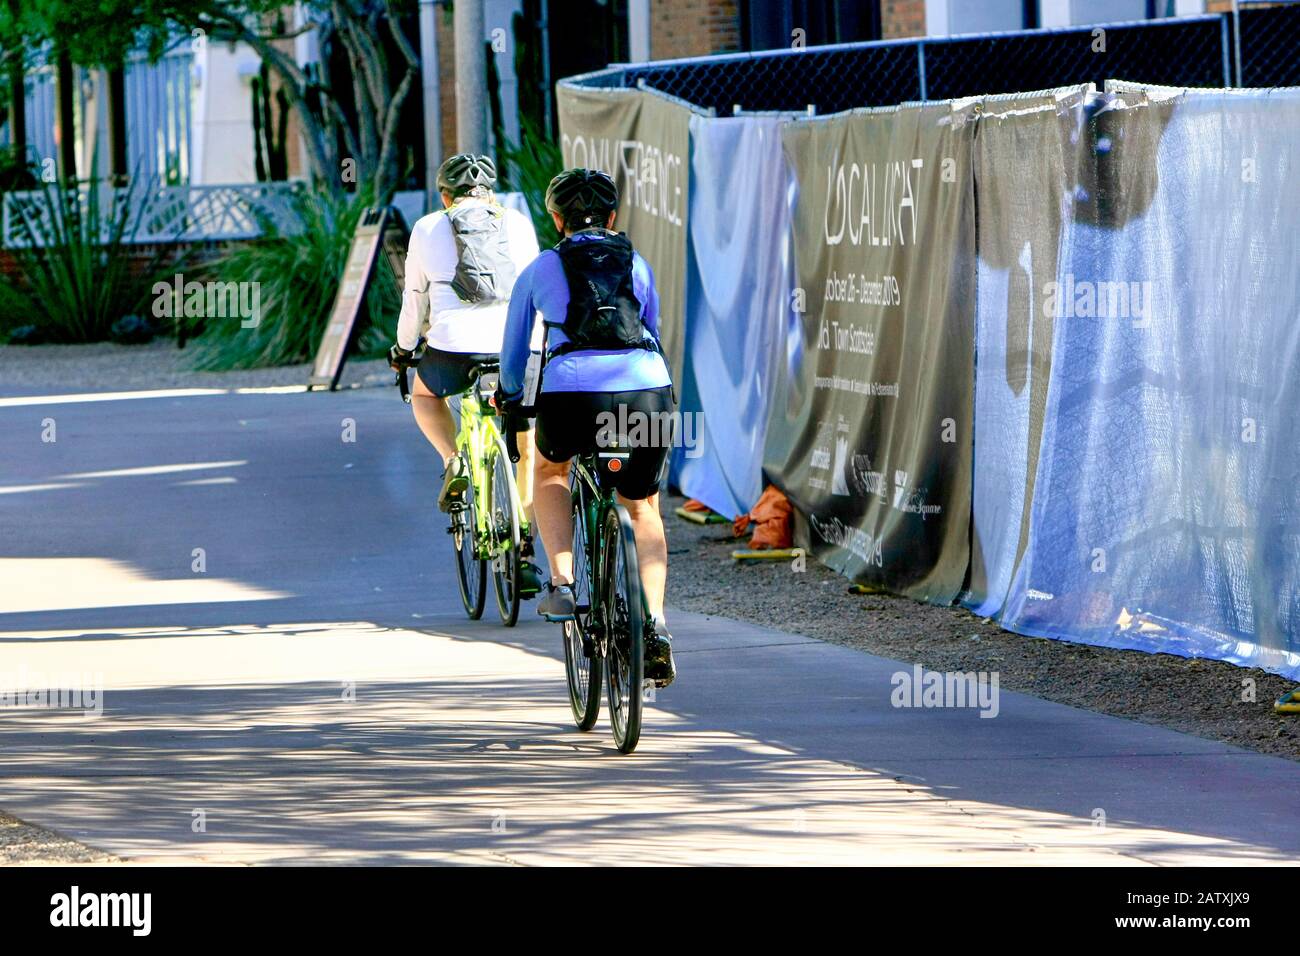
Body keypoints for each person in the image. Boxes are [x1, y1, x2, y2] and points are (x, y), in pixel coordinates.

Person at [497, 168, 677, 687]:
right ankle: (655, 623)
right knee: (641, 505)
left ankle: (563, 580)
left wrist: (511, 399)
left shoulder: (540, 268)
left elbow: (514, 356)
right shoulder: (635, 263)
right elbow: (654, 333)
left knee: (552, 470)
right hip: (644, 389)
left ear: (556, 218)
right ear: (614, 217)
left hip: (571, 393)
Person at [389, 153, 543, 591]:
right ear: (491, 192)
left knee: (424, 395)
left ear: (444, 196)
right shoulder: (516, 221)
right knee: (525, 441)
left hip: (455, 348)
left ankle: (453, 459)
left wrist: (403, 350)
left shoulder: (427, 227)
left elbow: (414, 301)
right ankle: (526, 546)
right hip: (517, 347)